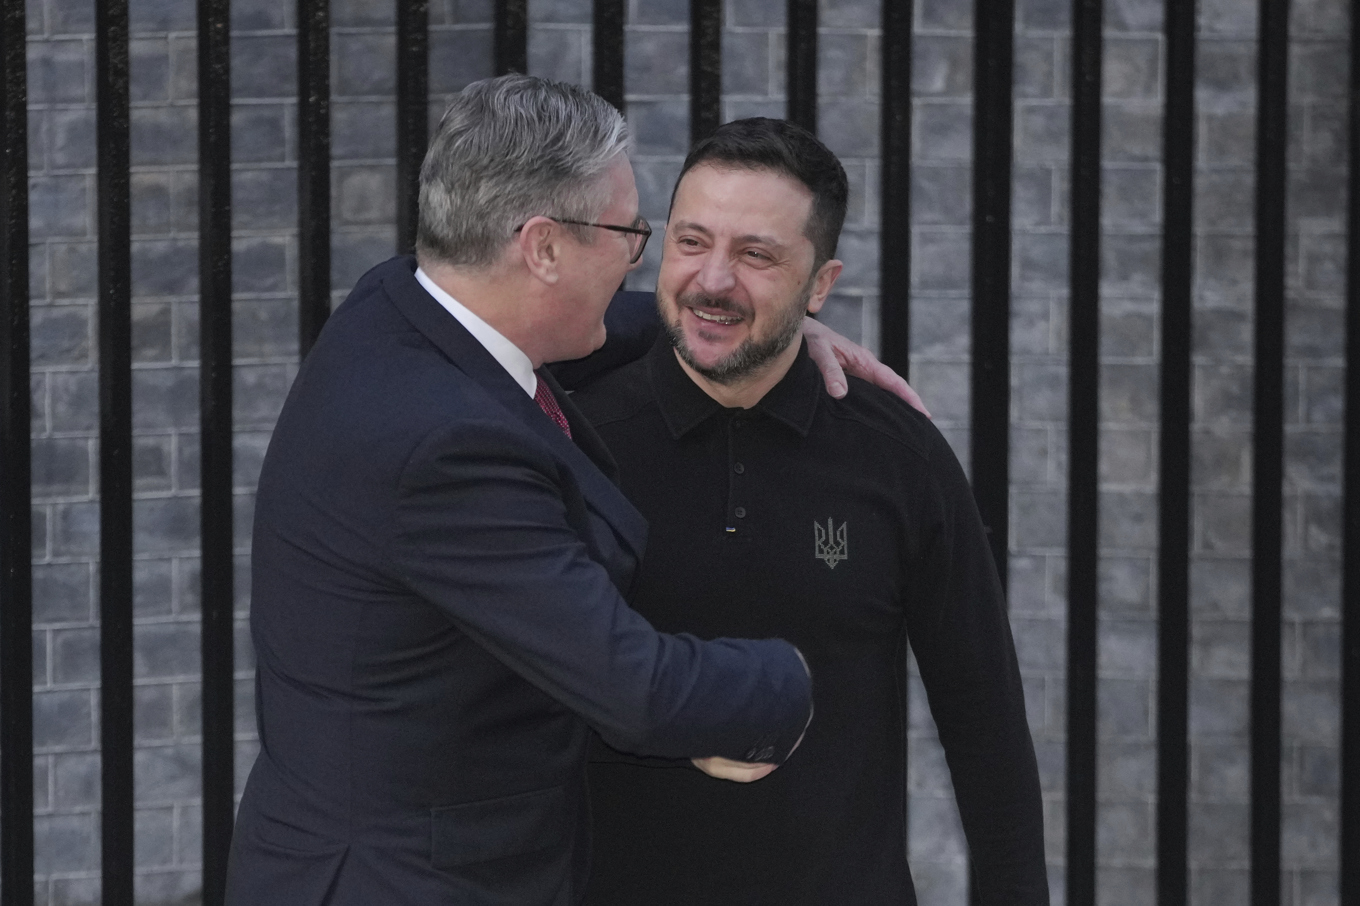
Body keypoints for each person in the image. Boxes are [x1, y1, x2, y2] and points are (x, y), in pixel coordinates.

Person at [224, 77, 915, 906]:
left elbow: (600, 324)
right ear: (544, 247)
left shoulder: (398, 307)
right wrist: (792, 679)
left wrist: (754, 321)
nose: (638, 256)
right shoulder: (445, 449)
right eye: (629, 233)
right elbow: (636, 689)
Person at [574, 118, 1049, 905]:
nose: (713, 279)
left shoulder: (899, 454)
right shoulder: (575, 440)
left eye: (757, 255)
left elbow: (984, 717)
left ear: (820, 285)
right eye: (692, 242)